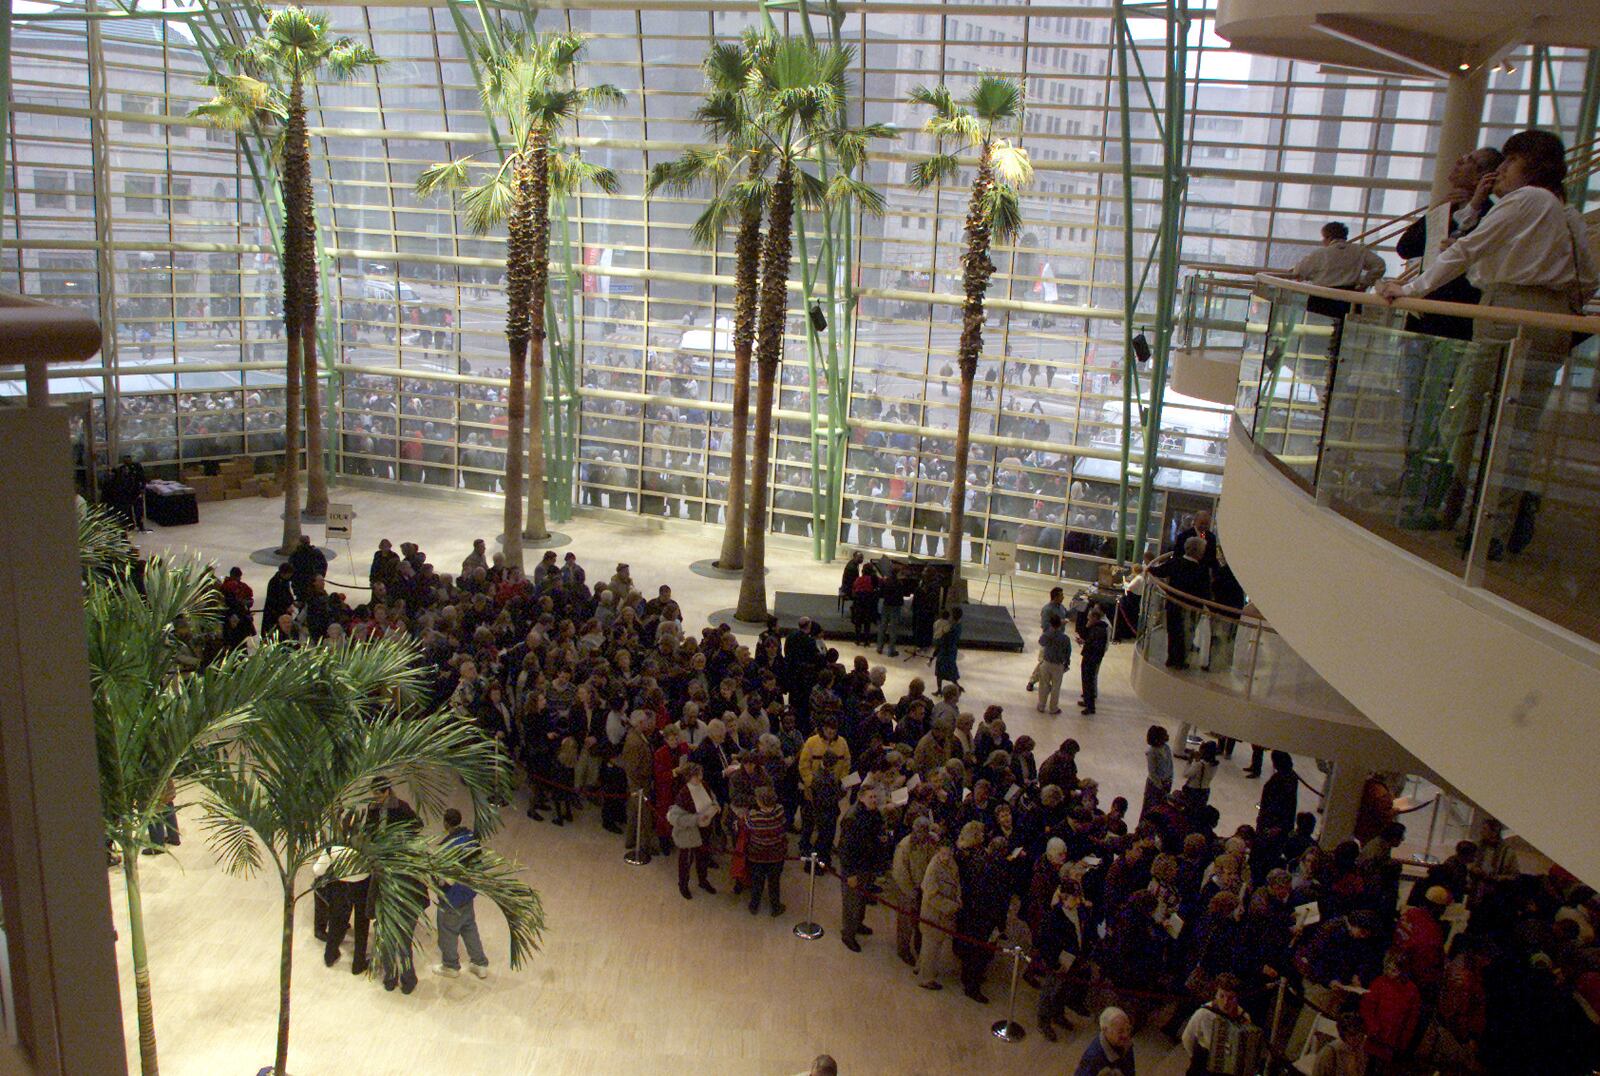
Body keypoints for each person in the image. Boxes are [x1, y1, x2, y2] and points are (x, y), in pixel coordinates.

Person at [1381, 129, 1598, 544]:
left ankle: (1493, 506)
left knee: (1460, 420)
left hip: (1506, 314)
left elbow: (1465, 253)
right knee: (1515, 430)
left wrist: (1407, 289)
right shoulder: (1562, 212)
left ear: (1531, 164)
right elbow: (1586, 279)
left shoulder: (1528, 199)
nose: (1501, 171)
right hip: (1547, 320)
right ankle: (1498, 520)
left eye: (1509, 161)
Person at [1291, 221, 1386, 354]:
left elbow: (1299, 271)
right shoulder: (1359, 251)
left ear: (1329, 237)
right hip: (1349, 298)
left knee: (1316, 339)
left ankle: (1314, 366)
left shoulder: (1321, 254)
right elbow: (1379, 265)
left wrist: (1310, 277)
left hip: (1322, 299)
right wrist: (1364, 284)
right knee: (1344, 338)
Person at [431, 808, 490, 980]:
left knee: (447, 931)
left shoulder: (447, 847)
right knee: (469, 927)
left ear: (445, 823)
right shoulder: (471, 838)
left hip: (451, 899)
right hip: (468, 894)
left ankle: (450, 966)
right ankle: (479, 963)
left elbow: (442, 879)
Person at [837, 785, 886, 952]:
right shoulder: (852, 817)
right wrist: (849, 873)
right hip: (855, 868)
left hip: (868, 864)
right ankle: (848, 934)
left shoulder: (875, 814)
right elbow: (844, 848)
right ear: (861, 798)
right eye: (870, 797)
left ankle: (858, 924)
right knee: (852, 902)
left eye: (875, 797)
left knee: (862, 898)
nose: (874, 800)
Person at [1149, 537, 1211, 669]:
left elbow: (1157, 571)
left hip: (1172, 605)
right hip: (1191, 609)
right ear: (1199, 552)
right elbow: (1205, 593)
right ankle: (1180, 661)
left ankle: (1171, 659)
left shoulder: (1175, 562)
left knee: (1173, 632)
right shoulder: (1201, 570)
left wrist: (1148, 569)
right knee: (1187, 635)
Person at [1180, 973, 1251, 1076]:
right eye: (1222, 996)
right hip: (1204, 1063)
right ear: (1216, 995)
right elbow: (1187, 1038)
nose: (1226, 1002)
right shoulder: (1203, 1013)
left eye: (1231, 998)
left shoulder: (1244, 1017)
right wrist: (1195, 1058)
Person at [666, 760, 718, 899]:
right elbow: (674, 818)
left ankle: (703, 880)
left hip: (705, 831)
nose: (700, 778)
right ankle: (683, 885)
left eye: (701, 774)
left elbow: (712, 798)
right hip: (690, 834)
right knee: (686, 862)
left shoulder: (704, 785)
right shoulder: (683, 794)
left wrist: (715, 807)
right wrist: (696, 819)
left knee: (703, 858)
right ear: (689, 776)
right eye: (697, 775)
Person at [743, 785, 788, 917]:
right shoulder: (780, 810)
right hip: (777, 855)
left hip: (757, 855)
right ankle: (775, 907)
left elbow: (747, 827)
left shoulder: (753, 816)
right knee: (774, 882)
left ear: (760, 801)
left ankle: (754, 905)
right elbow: (784, 824)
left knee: (757, 882)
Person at [1074, 1006, 1136, 1076]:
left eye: (1128, 1029)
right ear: (1105, 1031)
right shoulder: (1093, 1058)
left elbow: (1130, 1069)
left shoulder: (1125, 1043)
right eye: (1120, 1031)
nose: (1126, 1035)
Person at [1027, 587, 1068, 691]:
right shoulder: (1047, 609)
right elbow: (1045, 626)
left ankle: (1044, 682)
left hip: (1059, 639)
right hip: (1049, 639)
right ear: (1056, 597)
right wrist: (1058, 624)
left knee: (1051, 663)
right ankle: (1032, 681)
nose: (1063, 597)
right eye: (1061, 595)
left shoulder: (1062, 607)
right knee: (1043, 662)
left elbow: (1067, 614)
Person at [1035, 612, 1071, 715]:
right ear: (1060, 624)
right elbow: (1068, 651)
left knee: (1043, 685)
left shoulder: (1047, 634)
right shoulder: (1065, 638)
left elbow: (1041, 642)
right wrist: (1067, 662)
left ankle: (1041, 705)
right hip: (1058, 664)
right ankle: (1053, 708)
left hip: (1046, 662)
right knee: (1056, 687)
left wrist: (1049, 632)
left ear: (1051, 624)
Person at [1077, 604, 1108, 715]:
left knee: (1088, 682)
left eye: (1090, 617)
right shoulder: (1097, 628)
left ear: (1095, 618)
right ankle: (1087, 701)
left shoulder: (1098, 630)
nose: (1088, 619)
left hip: (1091, 659)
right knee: (1086, 681)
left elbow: (1094, 646)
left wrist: (1086, 643)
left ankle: (1090, 706)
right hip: (1090, 658)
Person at [1140, 725, 1173, 823]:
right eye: (1165, 735)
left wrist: (1169, 779)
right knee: (1150, 808)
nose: (1167, 736)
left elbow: (1170, 765)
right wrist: (1160, 785)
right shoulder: (1152, 752)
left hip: (1166, 782)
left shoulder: (1166, 748)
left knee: (1161, 807)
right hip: (1154, 785)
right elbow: (1152, 772)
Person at [876, 566, 905, 656]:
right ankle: (891, 650)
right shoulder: (899, 583)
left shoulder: (886, 581)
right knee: (893, 629)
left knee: (882, 627)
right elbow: (900, 596)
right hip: (895, 607)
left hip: (886, 605)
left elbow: (881, 593)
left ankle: (879, 648)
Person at [932, 606, 962, 692]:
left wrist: (936, 650)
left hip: (945, 651)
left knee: (940, 671)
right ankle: (957, 686)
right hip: (952, 651)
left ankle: (939, 690)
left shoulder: (951, 628)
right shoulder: (958, 626)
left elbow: (943, 640)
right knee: (950, 670)